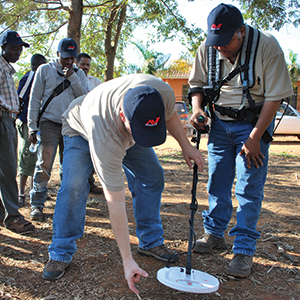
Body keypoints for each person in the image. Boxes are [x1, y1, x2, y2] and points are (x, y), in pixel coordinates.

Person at [42, 74, 205, 294]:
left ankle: (149, 241)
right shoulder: (105, 133)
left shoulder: (162, 93)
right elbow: (115, 200)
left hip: (125, 127)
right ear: (123, 116)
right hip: (80, 126)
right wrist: (127, 261)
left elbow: (170, 115)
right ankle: (60, 251)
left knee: (152, 175)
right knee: (74, 185)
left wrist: (186, 145)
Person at [188, 3, 293, 278]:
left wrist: (255, 137)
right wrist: (198, 110)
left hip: (253, 123)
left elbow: (275, 97)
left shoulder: (267, 47)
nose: (220, 48)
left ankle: (244, 249)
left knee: (248, 188)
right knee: (217, 181)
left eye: (226, 42)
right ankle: (214, 234)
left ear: (241, 32)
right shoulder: (208, 47)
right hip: (220, 126)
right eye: (216, 43)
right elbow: (197, 86)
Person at [28, 37, 89, 221]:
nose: (69, 62)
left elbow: (86, 97)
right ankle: (37, 204)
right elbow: (34, 99)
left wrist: (72, 77)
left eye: (72, 58)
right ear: (57, 55)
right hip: (49, 124)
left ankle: (66, 206)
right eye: (66, 58)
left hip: (72, 125)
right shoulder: (44, 70)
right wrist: (32, 126)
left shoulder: (79, 74)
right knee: (44, 164)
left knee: (69, 167)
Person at [0, 30, 35, 233]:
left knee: (5, 170)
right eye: (14, 48)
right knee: (8, 169)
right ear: (3, 47)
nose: (18, 52)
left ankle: (4, 213)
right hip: (3, 119)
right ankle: (13, 216)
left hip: (8, 120)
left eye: (20, 49)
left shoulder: (7, 69)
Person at [16, 54, 47, 207]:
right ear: (39, 65)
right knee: (26, 157)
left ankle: (32, 191)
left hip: (38, 124)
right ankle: (21, 193)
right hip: (27, 123)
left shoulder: (43, 79)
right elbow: (19, 97)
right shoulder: (31, 76)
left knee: (36, 159)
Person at [76, 52, 102, 194]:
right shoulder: (71, 79)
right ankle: (74, 185)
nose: (85, 67)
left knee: (92, 153)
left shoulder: (96, 82)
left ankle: (90, 183)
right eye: (83, 64)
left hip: (92, 124)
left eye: (88, 65)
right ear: (76, 64)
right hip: (75, 124)